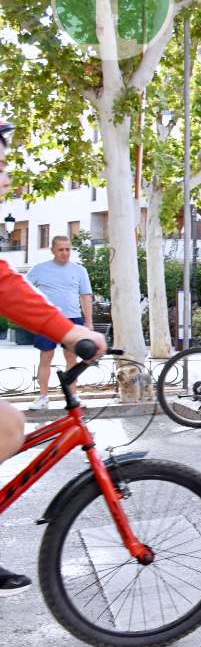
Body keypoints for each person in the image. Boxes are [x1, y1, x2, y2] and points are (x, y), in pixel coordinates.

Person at [0, 117, 108, 593]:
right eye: (2, 165)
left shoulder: (77, 270)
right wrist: (68, 330)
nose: (7, 178)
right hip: (54, 326)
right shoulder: (43, 265)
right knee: (8, 425)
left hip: (61, 324)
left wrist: (74, 327)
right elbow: (7, 287)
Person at [26, 236, 93, 410]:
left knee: (72, 358)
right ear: (53, 250)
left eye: (68, 249)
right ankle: (42, 397)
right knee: (46, 357)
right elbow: (25, 291)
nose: (65, 253)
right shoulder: (39, 269)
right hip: (47, 319)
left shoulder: (79, 270)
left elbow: (85, 296)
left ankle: (73, 396)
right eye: (61, 249)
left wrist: (89, 322)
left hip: (72, 319)